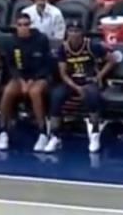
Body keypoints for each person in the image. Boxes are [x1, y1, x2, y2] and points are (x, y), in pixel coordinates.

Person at [46, 22, 110, 153]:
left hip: (88, 80)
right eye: (71, 31)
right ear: (67, 33)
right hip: (71, 82)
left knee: (92, 96)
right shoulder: (63, 49)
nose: (74, 34)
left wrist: (99, 76)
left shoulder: (92, 45)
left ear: (82, 33)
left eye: (77, 31)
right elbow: (63, 74)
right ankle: (55, 136)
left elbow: (112, 60)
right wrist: (76, 87)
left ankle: (94, 134)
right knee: (56, 96)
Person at [0, 12, 53, 151]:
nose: (23, 28)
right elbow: (10, 65)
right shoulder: (10, 42)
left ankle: (42, 132)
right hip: (20, 77)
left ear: (30, 25)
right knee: (8, 91)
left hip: (40, 76)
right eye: (20, 25)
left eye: (26, 25)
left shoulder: (41, 39)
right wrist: (22, 81)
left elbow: (47, 65)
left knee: (35, 92)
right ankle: (3, 131)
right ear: (16, 26)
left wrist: (32, 81)